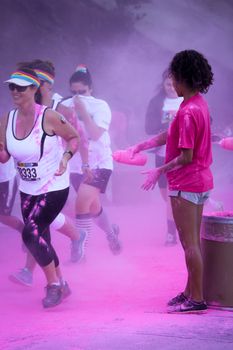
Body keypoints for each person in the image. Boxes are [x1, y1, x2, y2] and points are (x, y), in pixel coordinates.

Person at [130, 50, 214, 313]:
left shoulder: (188, 111)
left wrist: (160, 171)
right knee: (192, 243)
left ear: (183, 79)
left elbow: (186, 156)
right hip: (200, 181)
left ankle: (197, 299)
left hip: (187, 183)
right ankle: (190, 292)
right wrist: (143, 145)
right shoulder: (196, 103)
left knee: (189, 244)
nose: (171, 84)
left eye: (174, 79)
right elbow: (173, 132)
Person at [0, 67, 80, 308]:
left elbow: (74, 137)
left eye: (20, 87)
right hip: (28, 189)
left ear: (33, 89)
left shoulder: (49, 116)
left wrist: (65, 159)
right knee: (41, 237)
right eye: (11, 87)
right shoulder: (6, 119)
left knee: (30, 233)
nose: (14, 91)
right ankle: (63, 284)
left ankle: (53, 285)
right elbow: (4, 157)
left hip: (54, 185)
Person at [61, 65, 121, 260]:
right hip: (77, 164)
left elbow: (95, 134)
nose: (78, 96)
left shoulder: (100, 106)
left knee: (81, 204)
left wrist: (83, 112)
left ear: (91, 89)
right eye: (74, 92)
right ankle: (111, 233)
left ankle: (80, 252)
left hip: (100, 163)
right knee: (93, 208)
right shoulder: (64, 105)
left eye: (82, 92)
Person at [145, 69, 183, 245]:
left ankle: (171, 235)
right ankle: (205, 204)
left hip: (184, 154)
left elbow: (207, 119)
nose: (171, 87)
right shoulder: (156, 102)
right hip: (162, 154)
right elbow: (148, 128)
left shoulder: (189, 99)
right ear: (163, 84)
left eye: (175, 83)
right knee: (166, 196)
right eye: (168, 84)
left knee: (170, 195)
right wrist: (167, 123)